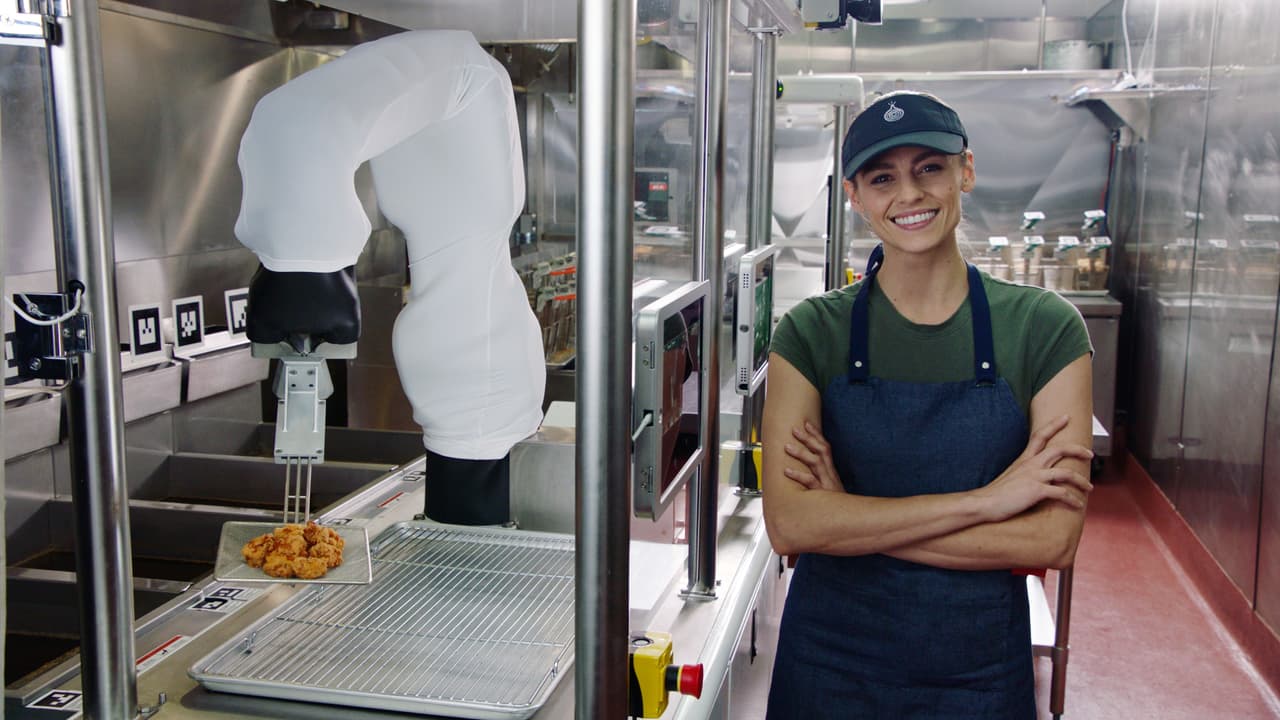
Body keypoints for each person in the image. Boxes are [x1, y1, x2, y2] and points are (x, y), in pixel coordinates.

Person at [761, 91, 1096, 719]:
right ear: (854, 197)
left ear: (965, 171)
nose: (908, 195)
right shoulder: (810, 333)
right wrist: (986, 503)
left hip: (979, 669)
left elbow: (1052, 539)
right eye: (882, 177)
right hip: (829, 662)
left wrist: (847, 521)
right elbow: (792, 527)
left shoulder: (1045, 329)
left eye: (930, 168)